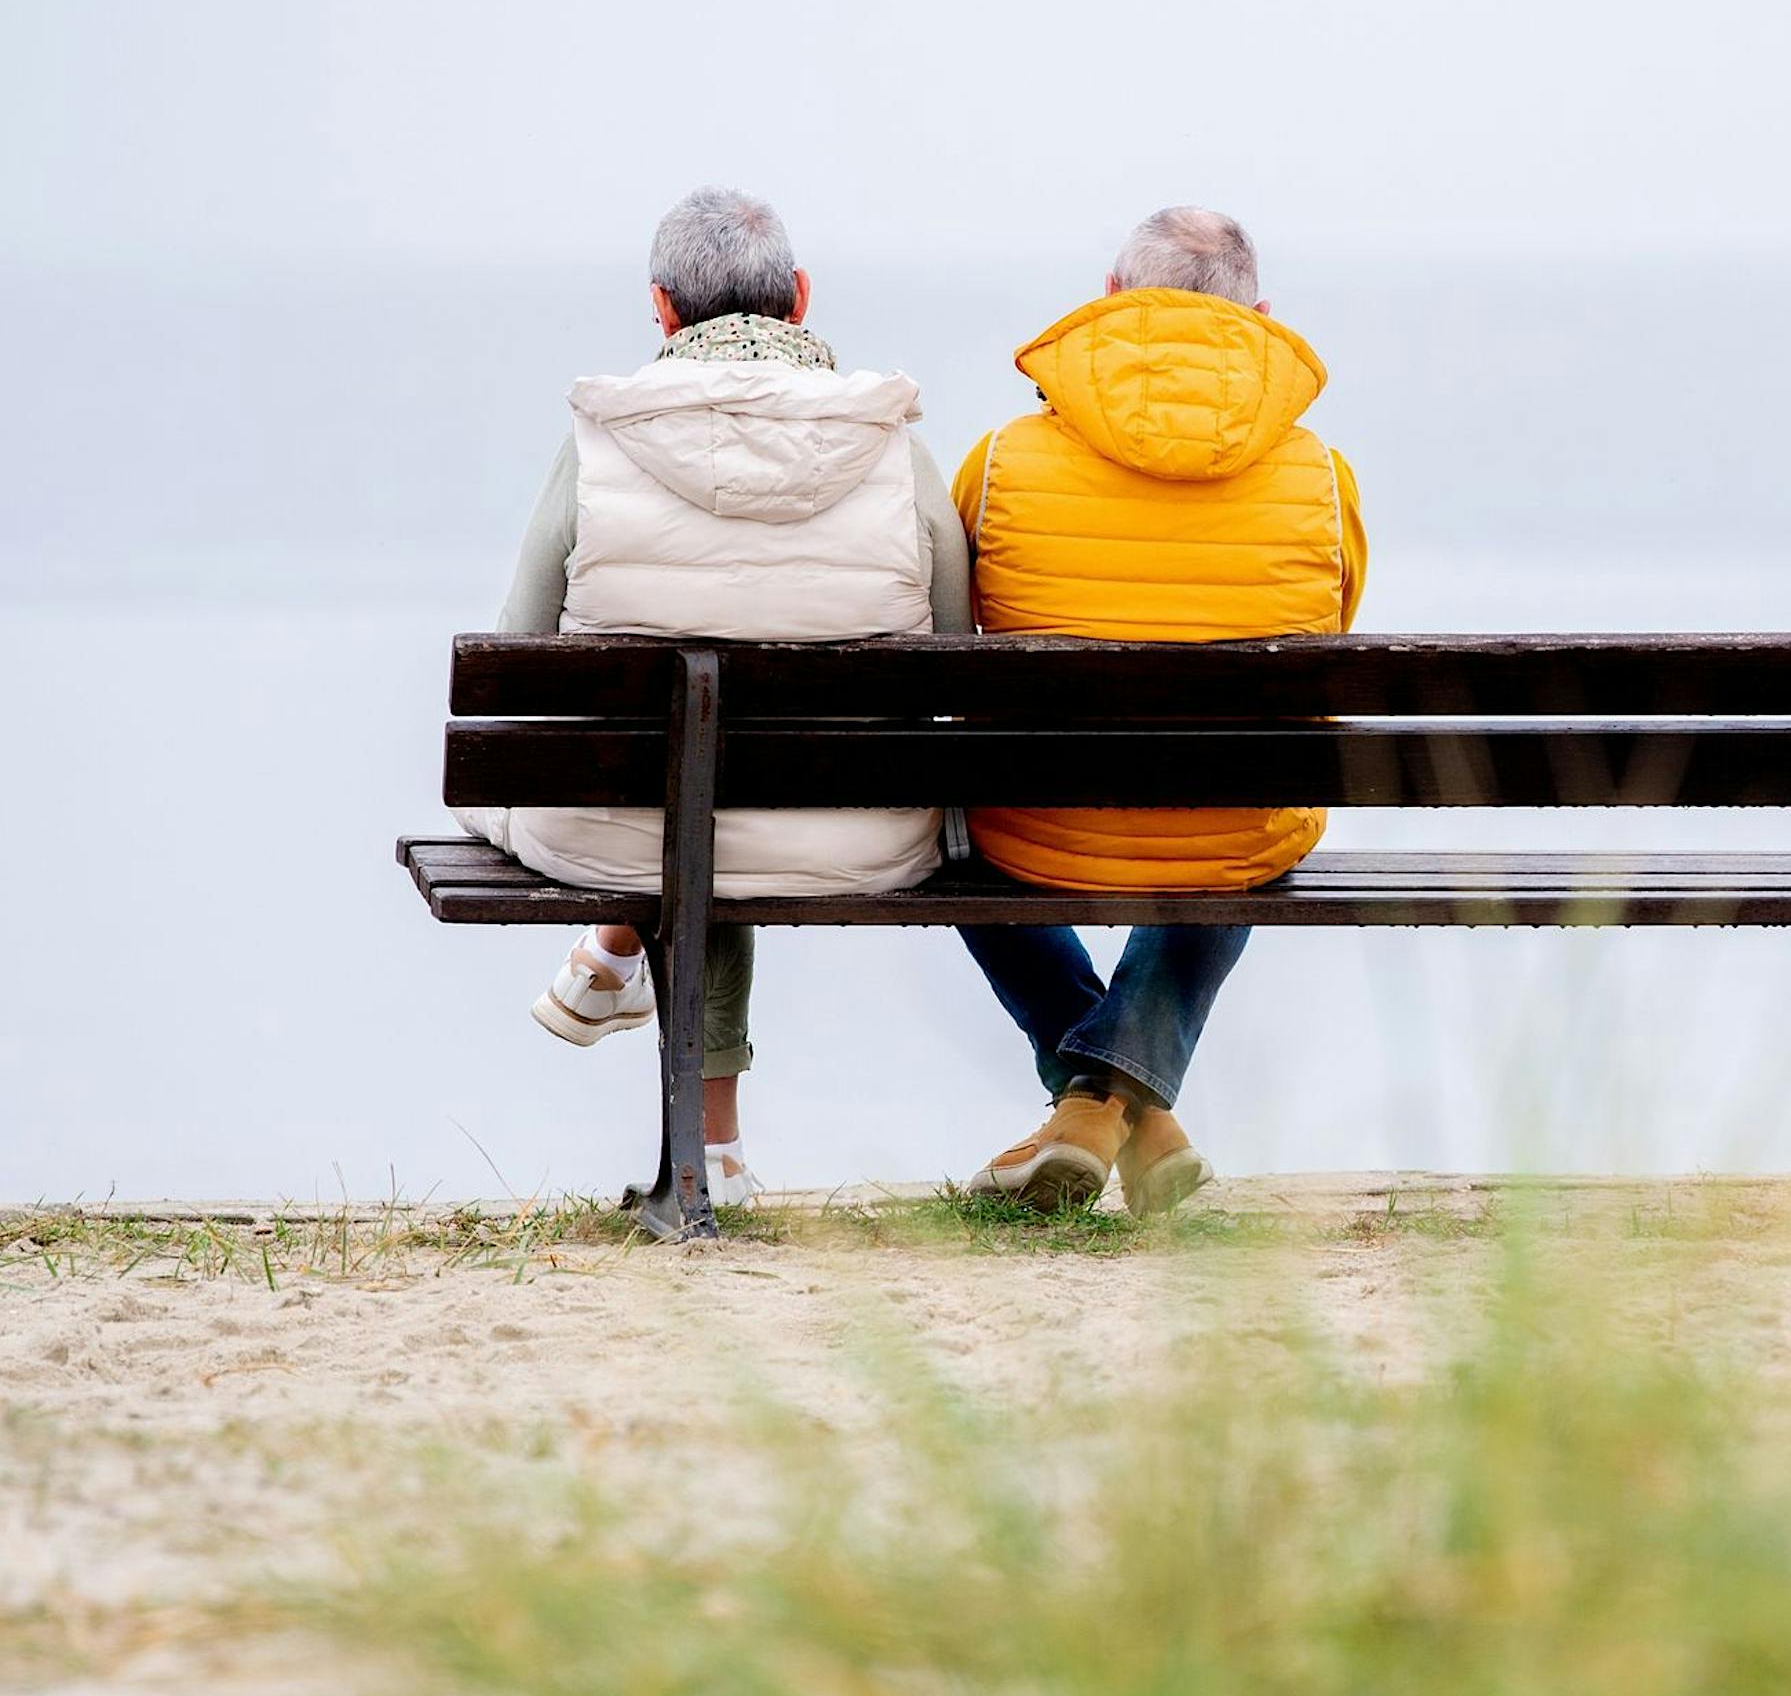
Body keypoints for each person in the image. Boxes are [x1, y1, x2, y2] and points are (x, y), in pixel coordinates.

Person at [460, 186, 970, 1204]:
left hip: (616, 829)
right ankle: (712, 1140)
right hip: (859, 834)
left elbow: (519, 651)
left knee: (689, 779)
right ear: (800, 296)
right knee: (716, 773)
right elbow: (957, 657)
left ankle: (614, 961)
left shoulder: (598, 445)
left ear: (660, 308)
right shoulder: (893, 447)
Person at [950, 206, 1367, 1216]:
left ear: (1109, 298)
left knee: (951, 827)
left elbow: (954, 643)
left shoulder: (998, 462)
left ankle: (1090, 1106)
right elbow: (1333, 628)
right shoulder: (1320, 476)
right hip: (1230, 828)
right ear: (1258, 317)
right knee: (1235, 822)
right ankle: (1125, 1104)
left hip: (1036, 830)